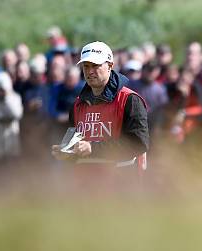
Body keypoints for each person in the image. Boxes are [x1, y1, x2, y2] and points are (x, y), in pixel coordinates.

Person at [51, 41, 149, 172]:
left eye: (95, 65)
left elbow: (138, 143)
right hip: (85, 184)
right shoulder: (77, 105)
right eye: (86, 66)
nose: (90, 71)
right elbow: (80, 149)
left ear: (110, 66)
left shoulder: (130, 100)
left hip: (122, 183)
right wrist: (67, 153)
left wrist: (93, 148)